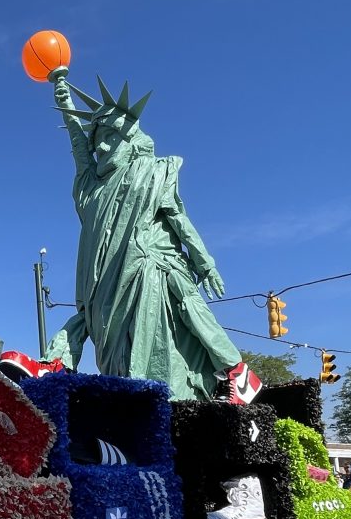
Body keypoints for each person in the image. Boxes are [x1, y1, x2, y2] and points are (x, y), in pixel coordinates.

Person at [44, 73, 259, 402]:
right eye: (97, 139)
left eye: (110, 137)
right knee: (89, 320)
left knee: (181, 315)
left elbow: (178, 218)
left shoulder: (152, 173)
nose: (101, 146)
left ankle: (238, 373)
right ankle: (56, 366)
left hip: (149, 270)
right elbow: (79, 150)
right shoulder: (92, 190)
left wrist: (205, 262)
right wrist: (65, 103)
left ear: (129, 138)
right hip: (103, 286)